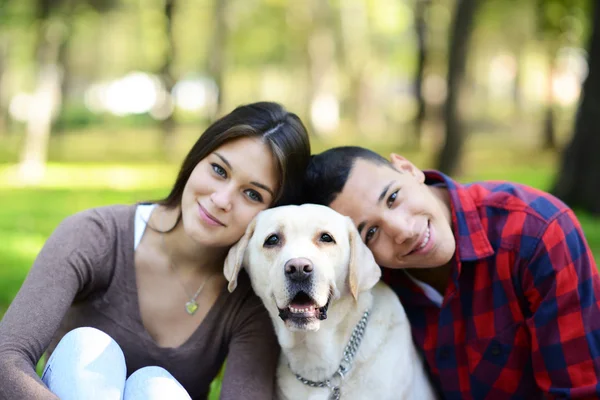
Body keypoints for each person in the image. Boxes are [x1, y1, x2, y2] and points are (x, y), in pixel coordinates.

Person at [0, 101, 312, 400]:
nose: (221, 199)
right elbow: (6, 359)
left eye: (252, 194)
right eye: (219, 170)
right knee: (88, 346)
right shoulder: (96, 235)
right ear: (197, 159)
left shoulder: (251, 298)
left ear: (273, 213)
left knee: (156, 388)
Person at [302, 145, 600, 399]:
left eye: (393, 198)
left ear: (408, 168)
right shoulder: (369, 281)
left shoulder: (536, 233)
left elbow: (578, 391)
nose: (403, 231)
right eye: (371, 233)